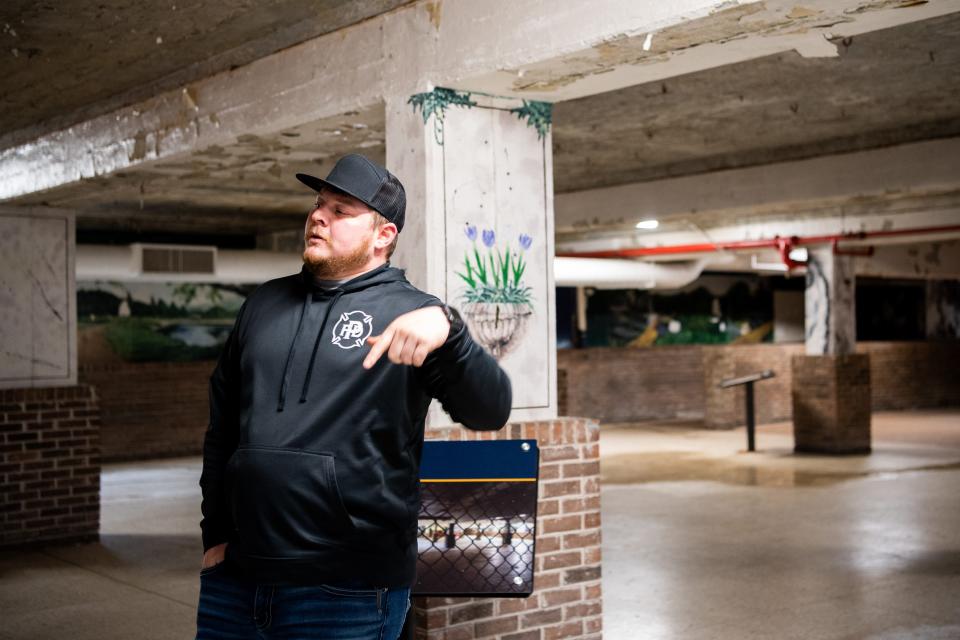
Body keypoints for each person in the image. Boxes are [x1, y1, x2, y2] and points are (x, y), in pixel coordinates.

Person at [196, 153, 512, 639]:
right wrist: (214, 536)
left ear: (383, 234)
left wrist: (450, 331)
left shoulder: (415, 315)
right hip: (237, 579)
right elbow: (222, 432)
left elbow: (490, 410)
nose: (319, 216)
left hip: (347, 590)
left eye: (342, 210)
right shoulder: (263, 304)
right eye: (319, 204)